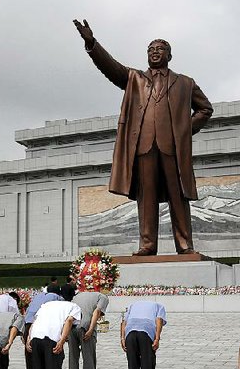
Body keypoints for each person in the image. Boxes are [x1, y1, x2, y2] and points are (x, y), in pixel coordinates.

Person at [74, 19, 213, 256]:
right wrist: (92, 44)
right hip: (144, 146)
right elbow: (110, 67)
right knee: (145, 197)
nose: (154, 52)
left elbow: (205, 109)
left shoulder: (185, 83)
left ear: (169, 55)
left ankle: (184, 244)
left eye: (159, 49)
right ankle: (147, 245)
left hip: (173, 148)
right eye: (150, 49)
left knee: (178, 196)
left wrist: (184, 130)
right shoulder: (133, 79)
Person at [121, 300, 166, 369]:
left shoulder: (132, 305)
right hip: (145, 333)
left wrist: (122, 338)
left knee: (133, 366)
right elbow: (159, 320)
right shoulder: (159, 306)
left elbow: (124, 322)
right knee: (147, 366)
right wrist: (157, 338)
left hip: (130, 334)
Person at [69, 291, 109, 369]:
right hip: (85, 328)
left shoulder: (77, 296)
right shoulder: (103, 297)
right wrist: (91, 329)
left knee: (73, 361)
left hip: (71, 328)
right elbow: (97, 312)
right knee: (89, 362)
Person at [23, 291, 63, 369]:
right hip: (43, 327)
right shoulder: (56, 298)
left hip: (28, 327)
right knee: (49, 361)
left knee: (31, 362)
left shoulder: (37, 296)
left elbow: (27, 314)